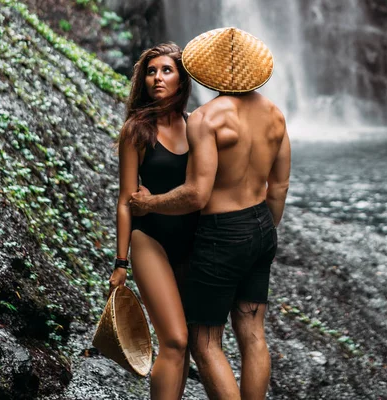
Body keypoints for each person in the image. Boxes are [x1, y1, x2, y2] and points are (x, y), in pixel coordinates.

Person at [129, 27, 291, 400]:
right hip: (262, 227)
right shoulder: (275, 115)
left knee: (204, 342)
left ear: (209, 70)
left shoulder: (207, 118)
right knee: (252, 334)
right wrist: (260, 232)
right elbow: (279, 187)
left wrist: (149, 202)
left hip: (223, 233)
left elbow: (197, 195)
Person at [108, 42, 197, 400]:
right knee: (174, 340)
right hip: (151, 240)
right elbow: (125, 200)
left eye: (166, 70)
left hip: (192, 241)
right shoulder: (137, 130)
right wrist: (120, 261)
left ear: (182, 79)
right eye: (150, 71)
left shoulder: (196, 126)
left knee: (186, 345)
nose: (157, 78)